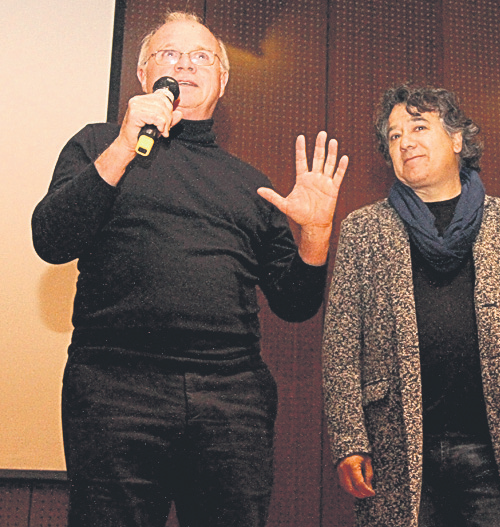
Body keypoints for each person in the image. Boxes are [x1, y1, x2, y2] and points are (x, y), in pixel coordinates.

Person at [31, 12, 347, 527]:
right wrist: (124, 145)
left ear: (222, 79)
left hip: (232, 396)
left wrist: (316, 233)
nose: (185, 65)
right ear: (143, 74)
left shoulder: (250, 185)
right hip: (115, 386)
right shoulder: (97, 144)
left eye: (202, 56)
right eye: (170, 54)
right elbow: (51, 239)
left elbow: (295, 303)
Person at [321, 85, 500, 527]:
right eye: (394, 136)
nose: (404, 142)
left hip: (496, 448)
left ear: (456, 139)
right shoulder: (364, 229)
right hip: (395, 452)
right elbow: (341, 343)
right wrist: (349, 440)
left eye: (418, 127)